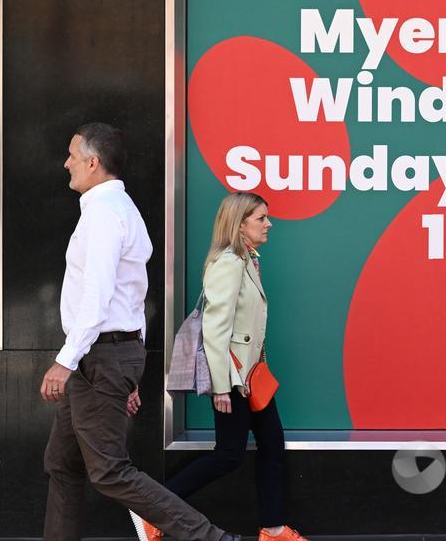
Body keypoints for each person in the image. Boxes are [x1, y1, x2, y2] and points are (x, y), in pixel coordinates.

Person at [41, 122, 238, 541]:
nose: (66, 164)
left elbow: (97, 296)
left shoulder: (106, 215)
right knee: (63, 463)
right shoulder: (116, 210)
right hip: (105, 356)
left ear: (93, 163)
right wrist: (126, 367)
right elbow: (132, 296)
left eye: (73, 156)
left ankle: (210, 538)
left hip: (97, 356)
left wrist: (65, 362)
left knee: (110, 471)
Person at [136, 192, 308, 541]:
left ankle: (273, 530)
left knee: (272, 445)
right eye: (261, 218)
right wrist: (222, 386)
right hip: (233, 379)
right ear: (240, 223)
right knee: (228, 455)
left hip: (251, 376)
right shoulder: (229, 263)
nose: (268, 224)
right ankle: (151, 510)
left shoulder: (246, 261)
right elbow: (216, 330)